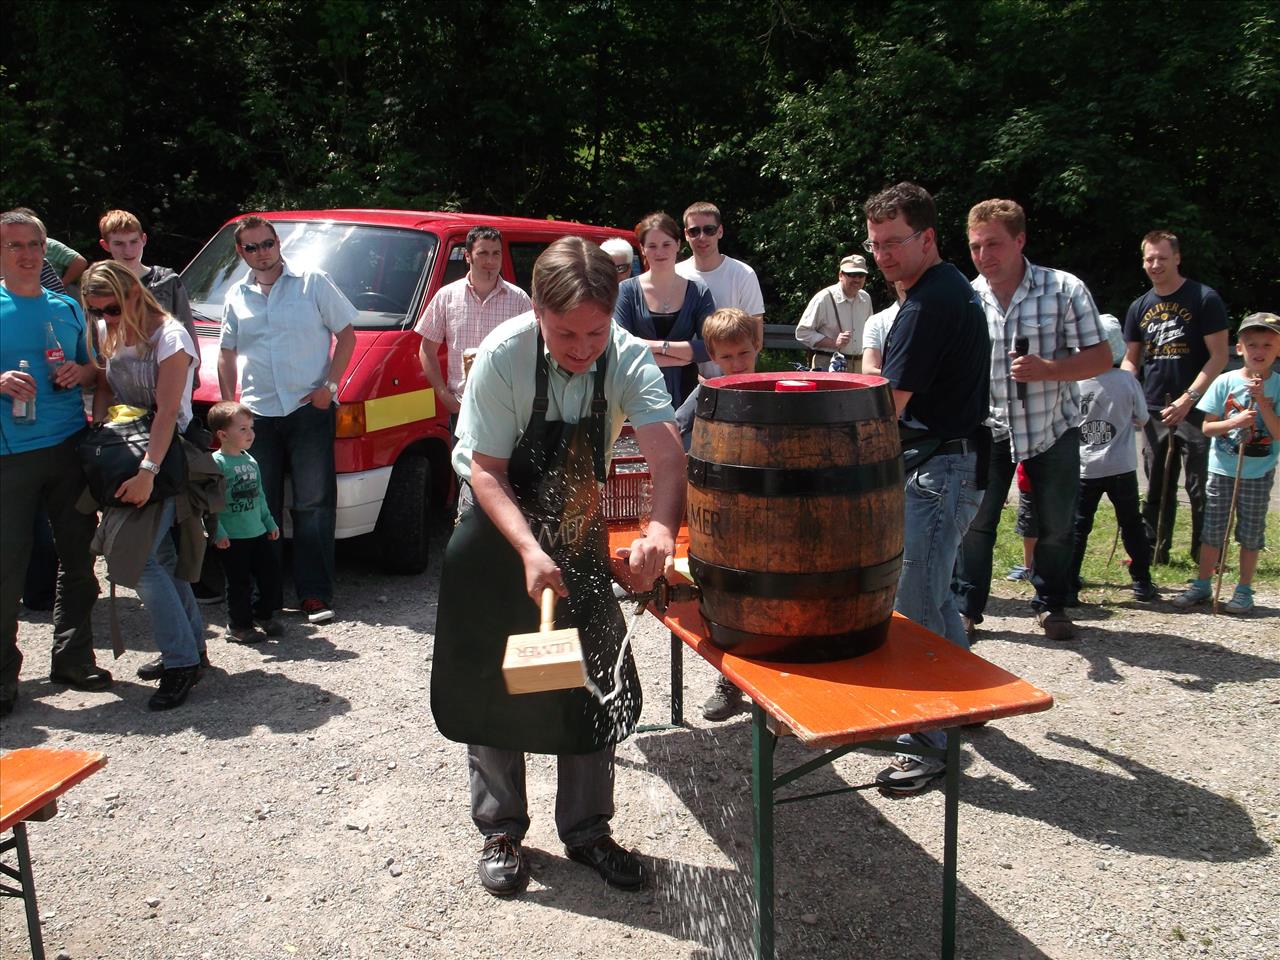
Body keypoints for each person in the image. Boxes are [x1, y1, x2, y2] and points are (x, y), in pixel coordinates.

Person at [431, 237, 685, 896]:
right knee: (499, 676)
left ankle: (588, 830)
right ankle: (501, 830)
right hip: (496, 525)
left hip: (576, 521)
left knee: (588, 677)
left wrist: (660, 529)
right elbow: (487, 470)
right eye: (566, 333)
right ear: (538, 311)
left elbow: (667, 456)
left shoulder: (626, 356)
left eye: (595, 332)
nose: (582, 347)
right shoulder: (503, 355)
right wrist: (527, 549)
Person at [861, 183, 990, 795]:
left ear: (928, 238)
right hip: (951, 464)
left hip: (939, 470)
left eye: (895, 242)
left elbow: (888, 405)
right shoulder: (947, 288)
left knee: (913, 608)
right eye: (876, 244)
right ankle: (969, 702)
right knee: (935, 599)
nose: (883, 255)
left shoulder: (928, 304)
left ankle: (927, 745)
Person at [953, 199, 1110, 644]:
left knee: (1057, 524)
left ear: (1020, 240)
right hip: (989, 429)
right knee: (975, 523)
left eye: (994, 244)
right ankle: (966, 608)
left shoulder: (1064, 289)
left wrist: (1049, 369)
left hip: (1051, 428)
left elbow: (1101, 357)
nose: (984, 256)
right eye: (976, 246)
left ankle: (1051, 604)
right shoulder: (967, 297)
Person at [217, 215, 356, 625]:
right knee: (258, 505)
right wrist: (229, 406)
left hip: (307, 409)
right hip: (256, 416)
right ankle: (267, 599)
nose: (262, 253)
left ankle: (314, 594)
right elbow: (226, 352)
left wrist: (329, 387)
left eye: (267, 244)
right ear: (240, 252)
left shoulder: (313, 282)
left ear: (278, 243)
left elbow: (347, 335)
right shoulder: (236, 294)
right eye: (252, 247)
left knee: (313, 505)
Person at [82, 260, 205, 710]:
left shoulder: (170, 337)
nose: (105, 319)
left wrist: (147, 473)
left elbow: (168, 412)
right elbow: (105, 386)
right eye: (96, 311)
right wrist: (101, 434)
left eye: (112, 309)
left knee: (139, 562)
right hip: (123, 451)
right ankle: (191, 650)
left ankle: (181, 662)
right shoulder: (109, 330)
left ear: (135, 294)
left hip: (165, 457)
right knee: (163, 558)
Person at [0, 209, 106, 718]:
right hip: (10, 456)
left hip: (68, 446)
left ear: (46, 249)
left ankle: (73, 659)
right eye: (14, 245)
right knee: (7, 568)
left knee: (79, 559)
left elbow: (95, 368)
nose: (26, 254)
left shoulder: (66, 306)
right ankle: (3, 677)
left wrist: (80, 372)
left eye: (34, 244)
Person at [671, 307, 761, 721]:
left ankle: (776, 682)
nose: (737, 363)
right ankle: (730, 681)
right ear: (712, 357)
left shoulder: (772, 392)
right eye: (726, 357)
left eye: (743, 353)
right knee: (727, 600)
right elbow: (674, 430)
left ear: (757, 346)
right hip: (721, 514)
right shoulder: (706, 393)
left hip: (771, 513)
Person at [1122, 230, 1229, 565]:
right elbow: (1131, 359)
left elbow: (1219, 357)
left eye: (1162, 258)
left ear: (1177, 258)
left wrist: (1188, 399)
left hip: (1198, 408)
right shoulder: (1139, 306)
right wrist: (1125, 392)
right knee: (1156, 484)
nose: (1155, 265)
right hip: (1154, 408)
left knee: (1200, 486)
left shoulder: (1204, 298)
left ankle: (1205, 555)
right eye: (1149, 259)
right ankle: (1154, 551)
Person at [1173, 312, 1280, 614]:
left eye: (1268, 345)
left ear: (1278, 349)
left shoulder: (1278, 386)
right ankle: (1202, 583)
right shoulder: (1224, 381)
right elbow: (1208, 427)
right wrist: (1235, 422)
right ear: (1240, 348)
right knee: (1213, 530)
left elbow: (1277, 432)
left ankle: (1244, 589)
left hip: (1258, 472)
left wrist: (1262, 403)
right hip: (1221, 470)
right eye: (1252, 344)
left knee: (1251, 533)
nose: (1259, 351)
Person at [1069, 314, 1156, 603]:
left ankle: (1069, 583)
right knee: (1131, 523)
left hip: (1085, 466)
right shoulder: (1126, 380)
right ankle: (1142, 581)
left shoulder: (1074, 382)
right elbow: (1142, 418)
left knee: (1079, 526)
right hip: (1121, 466)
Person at [415, 225, 531, 429]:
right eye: (483, 253)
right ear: (467, 256)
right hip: (462, 408)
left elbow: (532, 352)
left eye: (496, 253)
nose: (490, 261)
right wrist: (444, 395)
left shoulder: (519, 299)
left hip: (507, 410)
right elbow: (427, 349)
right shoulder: (446, 296)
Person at [613, 212, 714, 408]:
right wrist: (679, 358)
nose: (660, 252)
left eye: (666, 244)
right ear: (642, 249)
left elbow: (709, 347)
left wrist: (657, 347)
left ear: (678, 244)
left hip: (686, 392)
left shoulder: (699, 292)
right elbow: (621, 346)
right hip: (637, 389)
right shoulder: (626, 291)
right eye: (652, 246)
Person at [207, 400, 283, 643]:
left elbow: (259, 495)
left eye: (251, 428)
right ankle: (239, 625)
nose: (250, 433)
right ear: (223, 435)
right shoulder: (216, 464)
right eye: (242, 429)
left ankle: (263, 614)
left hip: (257, 531)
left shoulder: (250, 460)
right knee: (239, 583)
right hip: (233, 536)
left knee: (270, 575)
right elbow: (210, 503)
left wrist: (269, 522)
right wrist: (218, 531)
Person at [98, 209, 200, 387]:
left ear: (143, 239)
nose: (128, 250)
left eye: (133, 241)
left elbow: (188, 333)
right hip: (121, 383)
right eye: (119, 244)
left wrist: (192, 380)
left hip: (166, 378)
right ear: (106, 245)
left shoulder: (167, 282)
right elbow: (97, 343)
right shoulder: (100, 286)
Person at [674, 201, 764, 376]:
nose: (702, 237)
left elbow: (756, 338)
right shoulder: (675, 275)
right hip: (688, 378)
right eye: (694, 231)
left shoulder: (743, 274)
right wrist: (694, 378)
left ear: (720, 231)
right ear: (686, 235)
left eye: (709, 230)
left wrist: (735, 373)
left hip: (735, 377)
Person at [794, 254, 874, 373]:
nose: (857, 279)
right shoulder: (824, 298)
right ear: (841, 275)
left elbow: (870, 333)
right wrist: (833, 342)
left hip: (859, 366)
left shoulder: (865, 298)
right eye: (852, 275)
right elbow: (802, 333)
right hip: (829, 364)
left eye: (861, 275)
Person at [861, 280, 905, 378]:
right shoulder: (877, 321)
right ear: (893, 283)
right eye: (900, 279)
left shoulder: (936, 317)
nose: (905, 283)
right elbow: (869, 370)